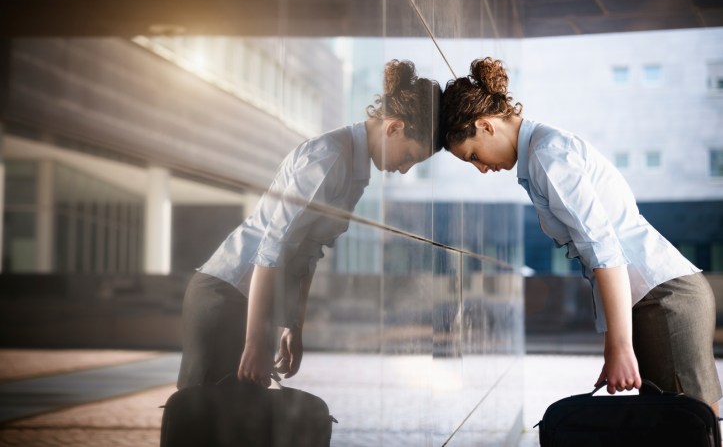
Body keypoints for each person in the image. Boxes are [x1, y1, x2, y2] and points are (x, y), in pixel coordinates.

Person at [439, 56, 721, 414]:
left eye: (474, 155)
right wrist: (614, 343)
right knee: (684, 428)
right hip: (659, 298)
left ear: (485, 125)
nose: (481, 168)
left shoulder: (546, 155)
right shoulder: (543, 152)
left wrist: (619, 346)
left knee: (689, 429)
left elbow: (603, 250)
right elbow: (598, 257)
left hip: (663, 299)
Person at [177, 59, 441, 389]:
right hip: (226, 297)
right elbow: (273, 247)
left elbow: (308, 253)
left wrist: (292, 326)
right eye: (409, 157)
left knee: (238, 426)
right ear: (394, 128)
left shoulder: (355, 170)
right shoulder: (330, 157)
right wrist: (255, 339)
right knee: (204, 423)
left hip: (252, 306)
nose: (404, 169)